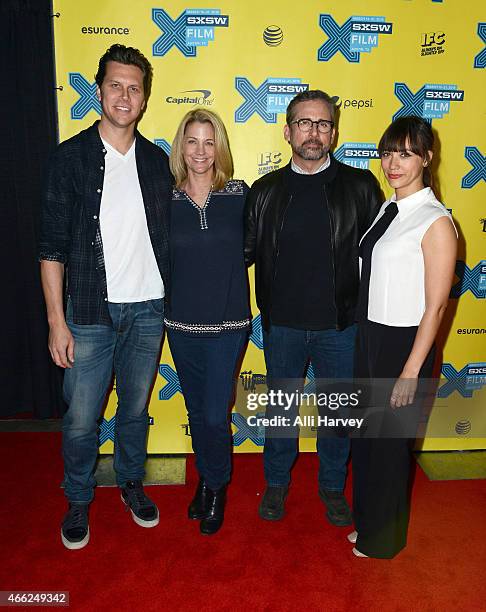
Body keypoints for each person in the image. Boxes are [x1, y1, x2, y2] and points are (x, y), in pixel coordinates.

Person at [39, 44, 172, 549]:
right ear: (99, 91)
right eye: (115, 85)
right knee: (80, 416)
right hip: (89, 314)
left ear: (144, 98)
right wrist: (57, 321)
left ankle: (132, 482)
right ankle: (77, 497)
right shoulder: (68, 158)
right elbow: (50, 246)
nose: (124, 95)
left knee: (135, 409)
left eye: (134, 87)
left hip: (148, 311)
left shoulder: (159, 162)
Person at [244, 90, 382, 525]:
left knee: (338, 417)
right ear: (288, 131)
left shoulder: (361, 187)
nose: (314, 132)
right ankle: (277, 484)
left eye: (323, 124)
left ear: (334, 133)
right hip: (281, 326)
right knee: (280, 412)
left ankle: (331, 487)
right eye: (305, 123)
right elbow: (239, 254)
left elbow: (384, 256)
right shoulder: (264, 191)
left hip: (340, 328)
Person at [350, 115, 457, 558]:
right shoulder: (387, 209)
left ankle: (384, 542)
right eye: (389, 152)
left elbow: (435, 306)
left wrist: (412, 369)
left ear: (426, 158)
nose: (394, 163)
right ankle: (369, 522)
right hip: (369, 334)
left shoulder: (435, 221)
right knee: (366, 438)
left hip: (403, 345)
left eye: (407, 153)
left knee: (390, 446)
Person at [165, 108, 250, 535]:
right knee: (197, 412)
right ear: (181, 146)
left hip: (228, 326)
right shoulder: (165, 199)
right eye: (192, 141)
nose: (200, 151)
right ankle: (206, 480)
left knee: (216, 414)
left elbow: (257, 249)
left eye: (209, 141)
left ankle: (216, 487)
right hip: (179, 326)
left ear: (220, 147)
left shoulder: (239, 194)